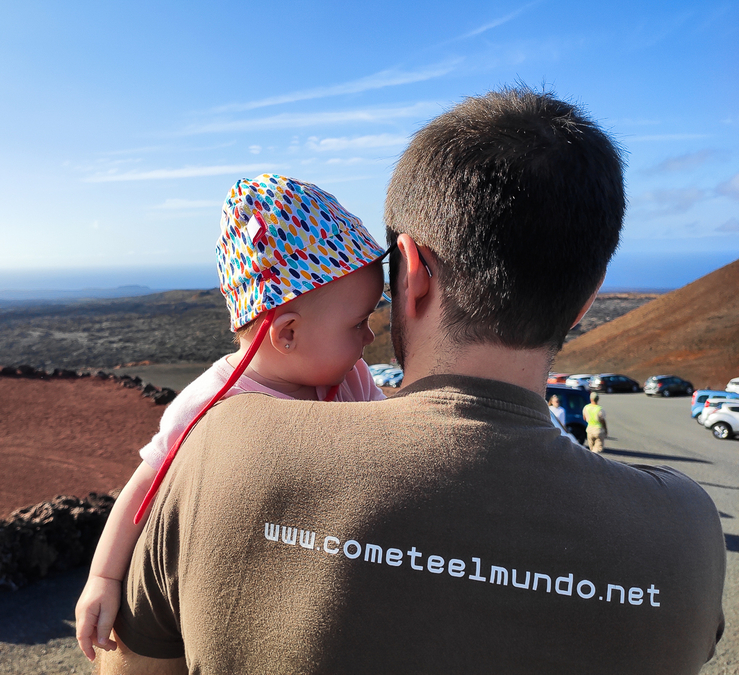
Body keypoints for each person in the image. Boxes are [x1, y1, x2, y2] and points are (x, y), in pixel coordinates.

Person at [100, 86, 725, 674]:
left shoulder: (215, 449)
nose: (367, 332)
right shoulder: (688, 536)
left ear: (411, 270)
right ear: (586, 301)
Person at [74, 174, 388, 660]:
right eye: (358, 323)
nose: (370, 338)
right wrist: (104, 577)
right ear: (286, 335)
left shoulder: (352, 379)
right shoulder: (207, 406)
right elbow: (144, 489)